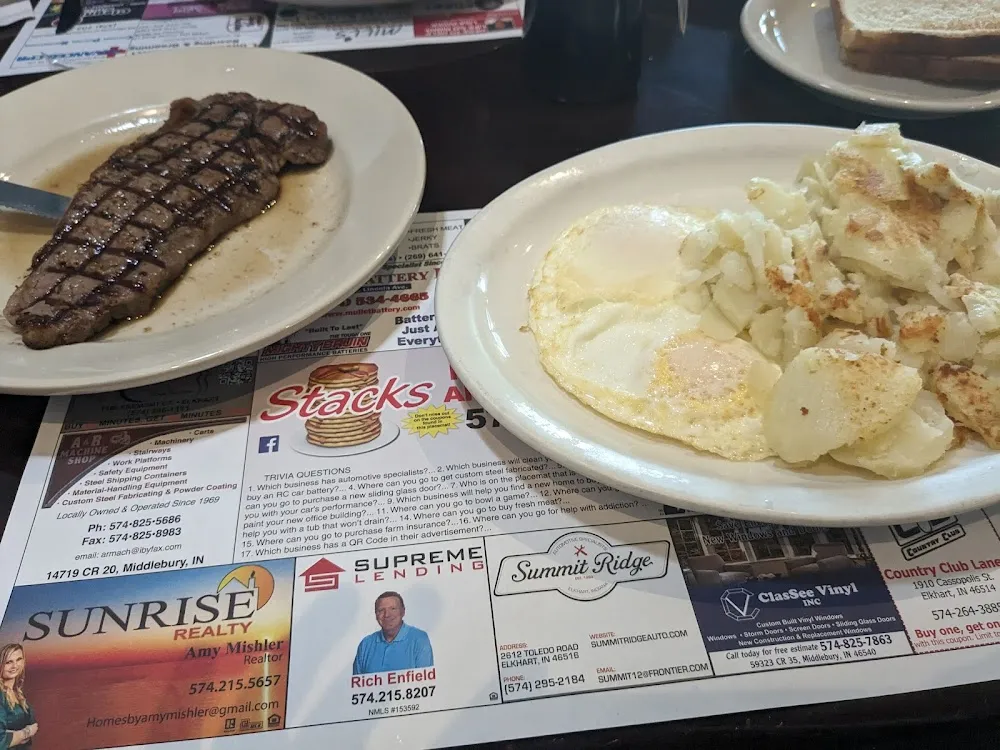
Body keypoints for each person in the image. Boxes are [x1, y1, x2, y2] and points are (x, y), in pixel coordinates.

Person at [352, 592, 433, 675]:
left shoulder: (419, 639)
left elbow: (424, 683)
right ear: (376, 615)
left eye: (393, 609)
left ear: (403, 612)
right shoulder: (366, 644)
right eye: (381, 610)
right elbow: (356, 685)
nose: (387, 615)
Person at [0, 644, 37, 748]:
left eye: (18, 659)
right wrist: (26, 732)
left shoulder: (17, 692)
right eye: (8, 662)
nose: (15, 666)